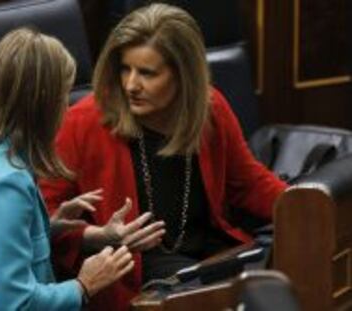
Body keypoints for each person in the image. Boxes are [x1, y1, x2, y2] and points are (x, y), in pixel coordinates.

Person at [40, 3, 287, 311]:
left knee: (286, 274)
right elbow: (43, 218)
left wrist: (305, 208)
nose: (131, 85)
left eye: (147, 73)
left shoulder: (210, 109)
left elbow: (249, 183)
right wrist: (99, 236)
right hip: (141, 276)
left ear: (183, 76)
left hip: (212, 258)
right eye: (125, 69)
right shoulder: (82, 123)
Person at [0, 28, 134, 311]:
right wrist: (84, 285)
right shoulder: (5, 183)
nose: (66, 108)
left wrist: (47, 227)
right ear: (43, 102)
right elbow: (18, 303)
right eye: (63, 96)